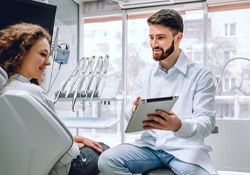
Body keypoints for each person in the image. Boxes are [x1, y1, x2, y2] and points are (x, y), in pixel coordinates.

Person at [98, 9, 218, 175]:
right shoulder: (145, 74)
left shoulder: (201, 76)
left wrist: (179, 126)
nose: (154, 44)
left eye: (160, 37)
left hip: (184, 150)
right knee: (107, 160)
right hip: (150, 147)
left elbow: (207, 122)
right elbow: (128, 112)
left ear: (178, 38)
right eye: (151, 37)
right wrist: (133, 110)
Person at [0, 22, 109, 175]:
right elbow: (68, 152)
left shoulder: (6, 90)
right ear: (21, 53)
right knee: (104, 149)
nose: (49, 62)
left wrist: (77, 139)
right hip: (63, 169)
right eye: (43, 54)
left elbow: (40, 137)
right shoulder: (33, 93)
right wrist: (77, 144)